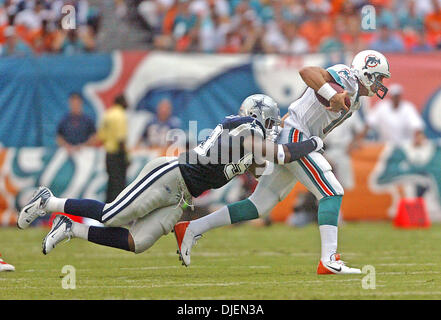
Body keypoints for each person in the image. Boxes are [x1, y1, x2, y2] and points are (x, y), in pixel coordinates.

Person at [17, 94, 323, 257]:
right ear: (261, 117)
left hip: (183, 194)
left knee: (138, 242)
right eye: (271, 122)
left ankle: (72, 229)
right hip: (172, 176)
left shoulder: (252, 138)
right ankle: (50, 202)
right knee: (112, 215)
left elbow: (260, 165)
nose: (274, 128)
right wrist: (313, 142)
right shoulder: (246, 127)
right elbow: (279, 155)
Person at [174, 50, 392, 275]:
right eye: (379, 77)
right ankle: (329, 259)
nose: (380, 84)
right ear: (367, 72)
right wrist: (331, 93)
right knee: (332, 191)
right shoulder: (347, 76)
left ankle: (192, 228)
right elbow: (307, 72)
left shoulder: (354, 97)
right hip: (296, 136)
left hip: (296, 134)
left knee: (258, 205)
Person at [98, 95, 129, 203]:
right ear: (122, 101)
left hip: (108, 153)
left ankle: (107, 207)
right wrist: (125, 155)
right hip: (118, 153)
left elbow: (101, 136)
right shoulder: (120, 115)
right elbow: (121, 139)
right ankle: (118, 207)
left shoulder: (107, 114)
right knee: (119, 184)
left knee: (111, 182)